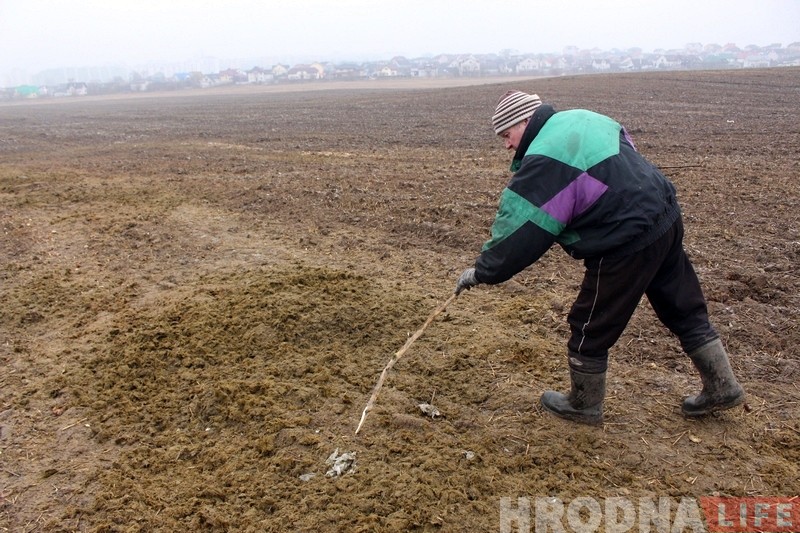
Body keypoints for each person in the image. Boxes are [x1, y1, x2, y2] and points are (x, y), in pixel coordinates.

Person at [454, 90, 745, 425]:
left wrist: (482, 271)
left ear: (525, 120)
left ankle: (583, 404)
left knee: (590, 323)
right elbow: (627, 152)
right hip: (663, 216)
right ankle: (722, 386)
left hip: (624, 240)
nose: (506, 145)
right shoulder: (584, 117)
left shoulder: (547, 157)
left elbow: (521, 229)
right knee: (682, 304)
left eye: (507, 134)